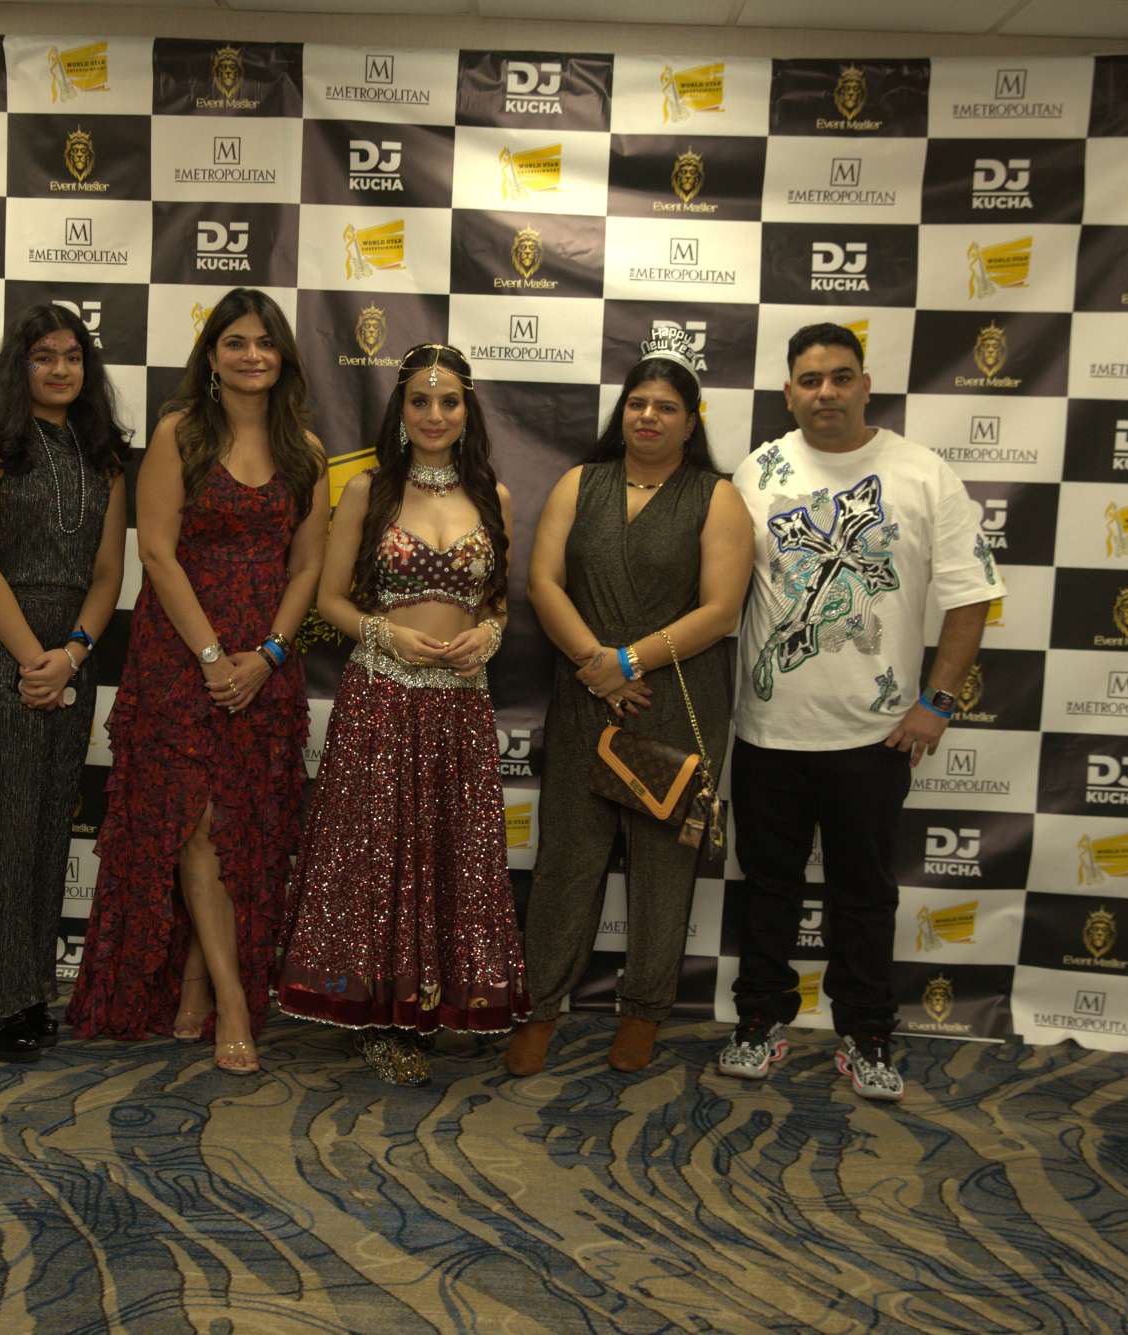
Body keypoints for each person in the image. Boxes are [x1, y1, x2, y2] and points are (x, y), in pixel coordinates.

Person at [718, 322, 1003, 1103]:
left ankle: (868, 1032)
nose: (827, 393)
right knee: (768, 888)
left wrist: (937, 702)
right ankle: (758, 1020)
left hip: (875, 736)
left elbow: (972, 594)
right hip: (769, 731)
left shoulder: (922, 474)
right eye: (811, 380)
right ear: (789, 392)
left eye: (841, 377)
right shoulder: (758, 471)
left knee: (865, 895)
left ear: (866, 385)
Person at [66, 287, 328, 1075]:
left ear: (283, 357)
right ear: (211, 355)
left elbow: (308, 566)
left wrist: (269, 655)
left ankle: (195, 981)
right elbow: (156, 552)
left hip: (266, 662)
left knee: (245, 827)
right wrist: (214, 658)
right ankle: (233, 1002)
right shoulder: (180, 434)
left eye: (265, 343)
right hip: (180, 658)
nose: (252, 355)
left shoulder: (306, 451)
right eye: (235, 342)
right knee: (198, 822)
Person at [277, 343, 529, 1085]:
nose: (434, 414)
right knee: (379, 858)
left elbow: (497, 605)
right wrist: (386, 634)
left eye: (448, 401)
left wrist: (490, 635)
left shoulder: (494, 497)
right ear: (401, 409)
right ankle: (380, 1019)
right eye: (421, 400)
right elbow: (328, 600)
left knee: (450, 856)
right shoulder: (368, 491)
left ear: (467, 410)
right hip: (382, 698)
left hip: (459, 706)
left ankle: (436, 1006)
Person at [504, 331, 753, 1077]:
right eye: (638, 403)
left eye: (666, 406)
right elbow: (543, 583)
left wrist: (628, 662)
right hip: (587, 694)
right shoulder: (581, 483)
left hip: (674, 698)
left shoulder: (717, 496)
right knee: (566, 861)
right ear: (623, 412)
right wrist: (596, 663)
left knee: (662, 865)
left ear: (691, 421)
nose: (649, 416)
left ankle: (644, 1010)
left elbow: (722, 610)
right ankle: (541, 1008)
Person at [0, 305, 127, 1062]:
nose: (60, 369)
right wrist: (33, 660)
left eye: (73, 357)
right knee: (2, 831)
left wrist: (72, 655)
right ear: (18, 365)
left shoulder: (105, 454)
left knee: (50, 827)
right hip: (6, 653)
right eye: (44, 356)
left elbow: (109, 572)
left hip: (72, 659)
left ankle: (30, 989)